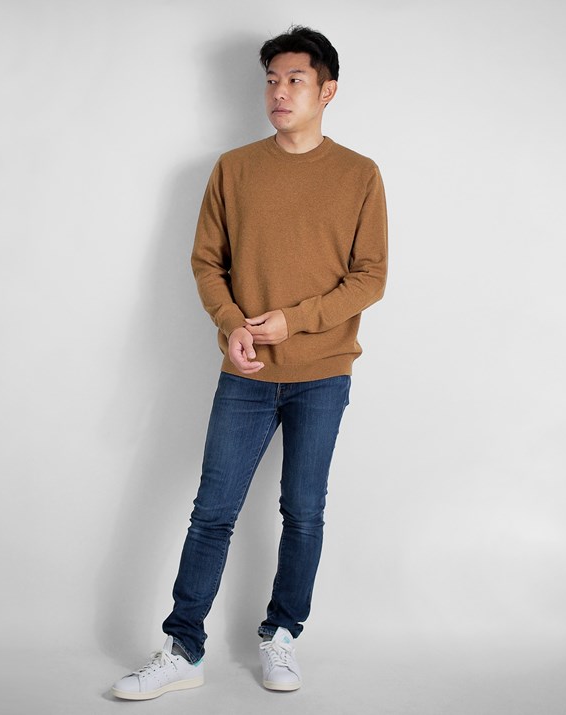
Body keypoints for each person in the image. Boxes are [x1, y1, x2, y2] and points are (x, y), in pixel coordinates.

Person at [111, 25, 387, 700]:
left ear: (327, 91)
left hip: (323, 372)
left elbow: (370, 277)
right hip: (246, 375)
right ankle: (183, 647)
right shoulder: (233, 169)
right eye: (270, 80)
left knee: (303, 511)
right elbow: (207, 262)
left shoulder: (359, 174)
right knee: (213, 511)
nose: (279, 92)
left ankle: (281, 634)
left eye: (294, 79)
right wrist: (231, 322)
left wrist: (296, 319)